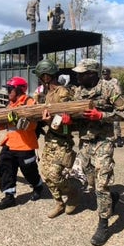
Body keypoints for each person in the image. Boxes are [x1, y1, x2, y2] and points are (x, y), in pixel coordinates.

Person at [72, 59, 124, 246]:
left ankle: (103, 223)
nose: (78, 76)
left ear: (93, 73)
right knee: (89, 181)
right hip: (85, 141)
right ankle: (111, 199)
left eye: (82, 73)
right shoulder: (78, 91)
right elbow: (73, 115)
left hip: (104, 141)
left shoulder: (109, 89)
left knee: (101, 184)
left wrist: (102, 116)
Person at [0, 76, 45, 210]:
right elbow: (5, 125)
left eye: (10, 89)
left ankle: (38, 186)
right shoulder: (10, 105)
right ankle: (9, 196)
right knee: (4, 167)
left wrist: (18, 121)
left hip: (25, 144)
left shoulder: (30, 103)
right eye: (8, 89)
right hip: (10, 143)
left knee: (29, 170)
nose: (8, 91)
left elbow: (33, 126)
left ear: (20, 90)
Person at [34, 59, 80, 218]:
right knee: (45, 174)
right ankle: (59, 202)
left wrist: (50, 121)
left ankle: (72, 193)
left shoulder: (63, 93)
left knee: (55, 174)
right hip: (50, 138)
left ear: (47, 76)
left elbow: (68, 122)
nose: (40, 78)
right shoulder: (45, 93)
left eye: (41, 75)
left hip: (62, 139)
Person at [102, 68, 124, 147]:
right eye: (104, 74)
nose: (105, 76)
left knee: (116, 121)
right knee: (106, 121)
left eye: (106, 74)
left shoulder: (115, 81)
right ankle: (109, 139)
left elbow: (119, 91)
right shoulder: (101, 82)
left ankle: (118, 138)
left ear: (109, 74)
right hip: (105, 103)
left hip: (115, 101)